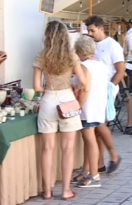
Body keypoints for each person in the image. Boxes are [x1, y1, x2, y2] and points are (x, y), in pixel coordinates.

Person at [33, 21, 87, 200]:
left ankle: (47, 190)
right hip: (68, 100)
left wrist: (49, 86)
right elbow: (83, 82)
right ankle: (65, 191)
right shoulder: (71, 56)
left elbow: (36, 87)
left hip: (48, 99)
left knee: (47, 149)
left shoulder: (42, 56)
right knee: (68, 149)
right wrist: (74, 86)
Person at [84, 16, 123, 174]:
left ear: (101, 28)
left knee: (98, 122)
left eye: (92, 30)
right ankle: (98, 162)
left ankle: (113, 154)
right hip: (92, 88)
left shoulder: (113, 46)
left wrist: (110, 87)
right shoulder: (91, 45)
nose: (90, 33)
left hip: (106, 88)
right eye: (88, 30)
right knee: (95, 127)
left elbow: (120, 71)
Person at [72, 36, 108, 188]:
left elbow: (85, 88)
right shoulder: (101, 64)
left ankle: (94, 175)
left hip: (88, 107)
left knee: (89, 140)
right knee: (89, 140)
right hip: (99, 106)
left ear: (80, 51)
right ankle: (87, 171)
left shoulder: (85, 66)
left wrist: (78, 105)